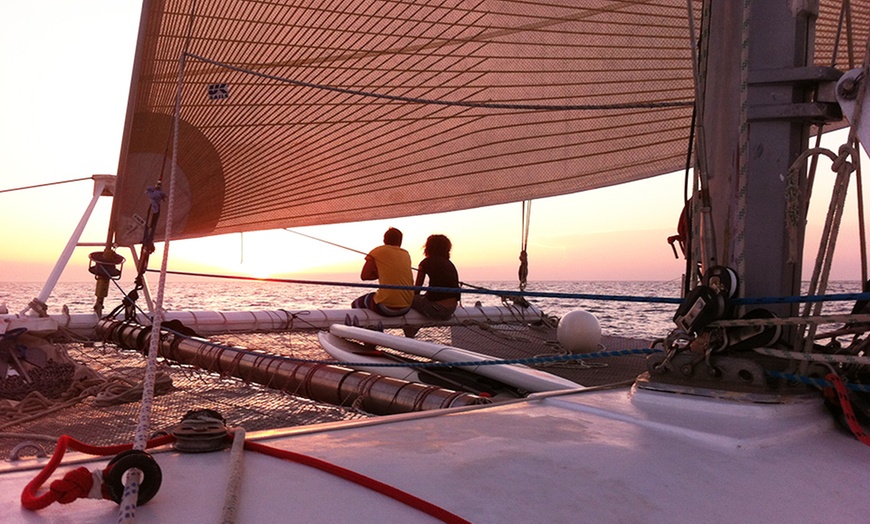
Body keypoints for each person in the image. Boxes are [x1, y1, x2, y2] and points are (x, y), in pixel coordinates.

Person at [404, 234, 460, 337]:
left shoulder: (425, 263)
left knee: (407, 299)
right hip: (451, 309)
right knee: (422, 298)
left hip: (437, 309)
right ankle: (413, 329)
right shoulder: (449, 264)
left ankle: (409, 332)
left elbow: (417, 288)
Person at [350, 227, 414, 316]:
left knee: (355, 303)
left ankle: (371, 328)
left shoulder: (377, 251)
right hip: (407, 306)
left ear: (384, 240)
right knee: (374, 296)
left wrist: (378, 273)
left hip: (387, 307)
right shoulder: (405, 253)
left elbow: (365, 276)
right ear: (400, 241)